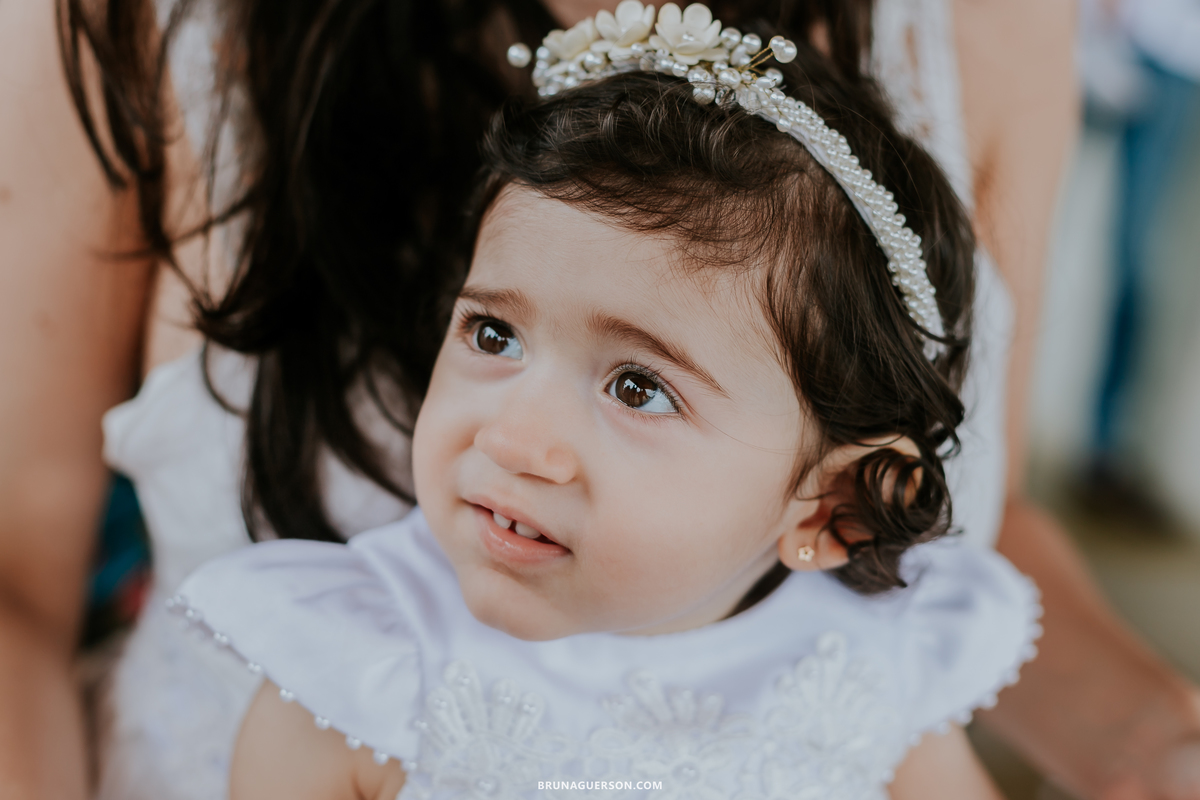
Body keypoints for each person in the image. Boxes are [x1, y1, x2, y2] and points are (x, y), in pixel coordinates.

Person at [1, 0, 1196, 799]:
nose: (514, 431)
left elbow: (983, 520)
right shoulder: (354, 671)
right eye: (490, 333)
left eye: (637, 384)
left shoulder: (867, 658)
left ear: (835, 509)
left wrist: (1157, 744)